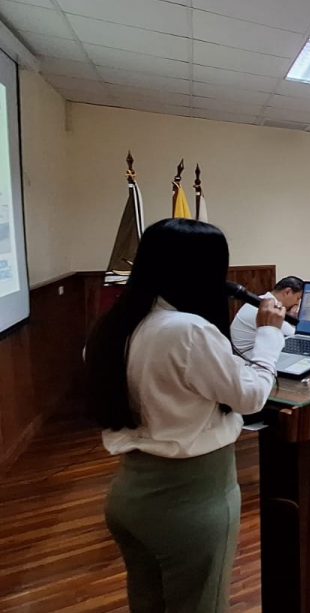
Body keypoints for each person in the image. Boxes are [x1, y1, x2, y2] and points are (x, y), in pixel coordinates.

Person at [86, 219, 286, 612]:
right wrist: (269, 334)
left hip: (131, 495)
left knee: (150, 603)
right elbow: (251, 396)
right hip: (191, 503)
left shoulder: (114, 326)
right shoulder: (187, 331)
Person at [231, 276, 302, 353]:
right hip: (248, 357)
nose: (297, 303)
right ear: (287, 292)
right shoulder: (267, 308)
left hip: (248, 351)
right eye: (298, 298)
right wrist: (292, 318)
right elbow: (295, 337)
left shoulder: (262, 300)